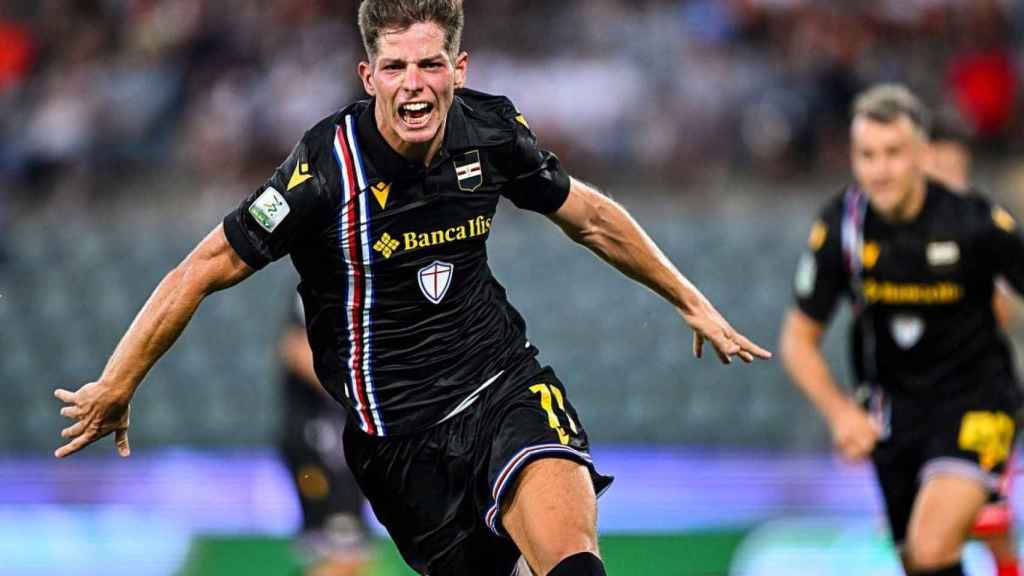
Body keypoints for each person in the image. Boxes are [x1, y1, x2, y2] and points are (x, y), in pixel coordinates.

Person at [53, 1, 771, 575]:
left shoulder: (490, 130)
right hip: (399, 448)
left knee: (574, 564)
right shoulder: (323, 170)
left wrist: (690, 300)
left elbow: (590, 216)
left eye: (430, 64)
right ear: (369, 77)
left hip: (502, 386)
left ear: (458, 67)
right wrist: (120, 381)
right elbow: (202, 268)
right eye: (395, 66)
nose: (414, 84)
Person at [780, 83, 1024, 576]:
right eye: (867, 155)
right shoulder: (841, 229)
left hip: (977, 402)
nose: (880, 169)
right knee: (919, 560)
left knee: (932, 546)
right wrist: (841, 412)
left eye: (894, 153)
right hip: (892, 414)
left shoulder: (975, 224)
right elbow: (798, 339)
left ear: (921, 155)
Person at [926, 113, 1020, 576]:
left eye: (955, 171)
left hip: (979, 398)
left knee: (989, 525)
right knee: (926, 536)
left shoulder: (984, 229)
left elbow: (1006, 309)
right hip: (921, 403)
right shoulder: (894, 234)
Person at [279, 294, 369, 576]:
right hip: (316, 434)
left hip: (353, 433)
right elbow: (294, 348)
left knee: (349, 540)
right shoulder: (315, 282)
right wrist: (352, 389)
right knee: (331, 540)